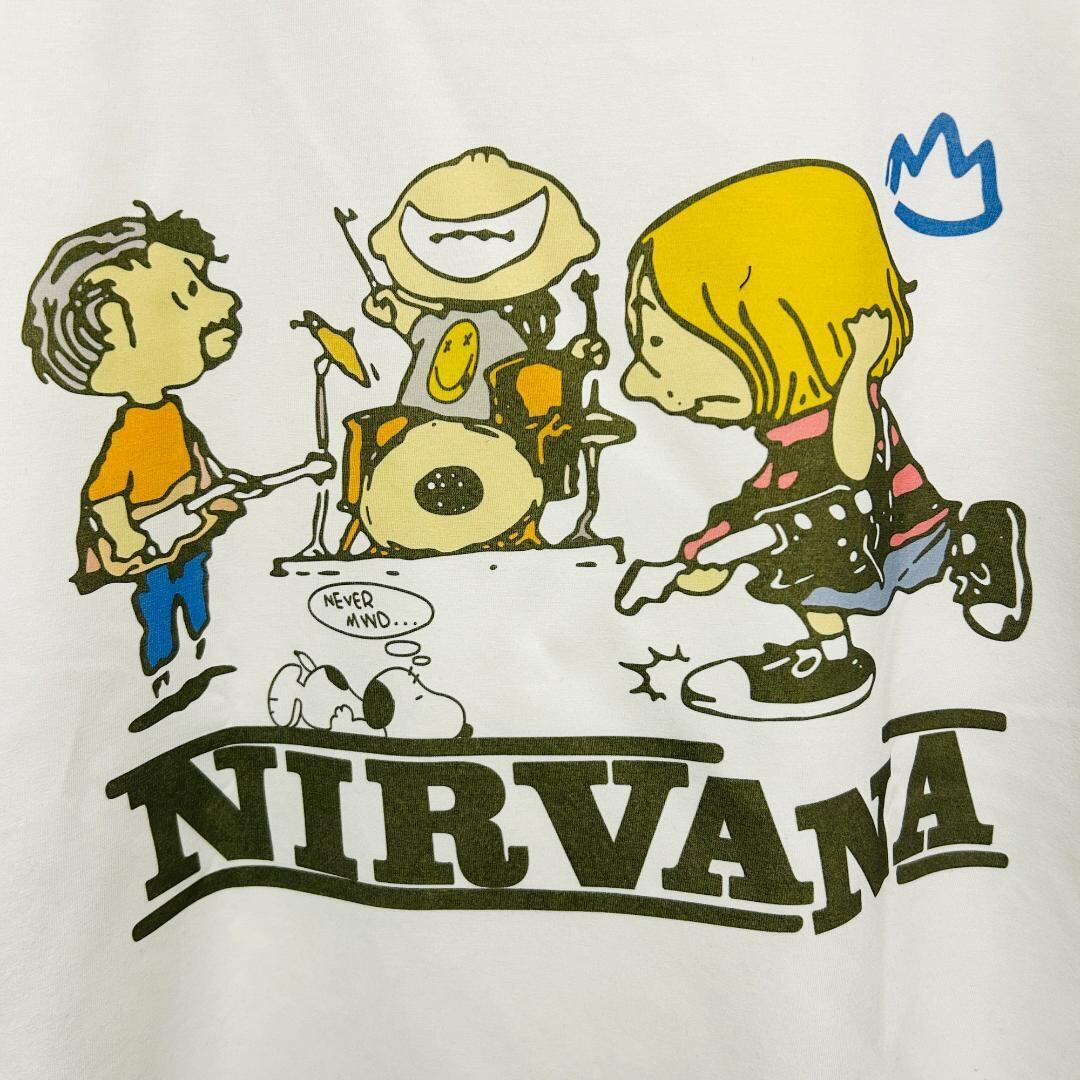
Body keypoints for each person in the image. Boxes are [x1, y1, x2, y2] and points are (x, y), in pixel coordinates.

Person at [616, 160, 1031, 721]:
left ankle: (977, 542)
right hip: (854, 531)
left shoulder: (848, 407)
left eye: (658, 343)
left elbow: (853, 464)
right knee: (812, 571)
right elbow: (769, 493)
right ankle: (836, 654)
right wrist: (701, 554)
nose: (635, 384)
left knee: (825, 571)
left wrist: (858, 368)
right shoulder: (789, 433)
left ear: (776, 325)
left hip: (889, 523)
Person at [24, 204, 249, 690]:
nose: (226, 300)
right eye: (188, 292)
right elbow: (104, 494)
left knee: (195, 588)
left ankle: (199, 654)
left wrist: (220, 489)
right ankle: (161, 670)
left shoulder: (170, 414)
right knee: (160, 600)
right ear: (114, 323)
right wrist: (124, 535)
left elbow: (197, 464)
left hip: (184, 535)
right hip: (152, 543)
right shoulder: (130, 431)